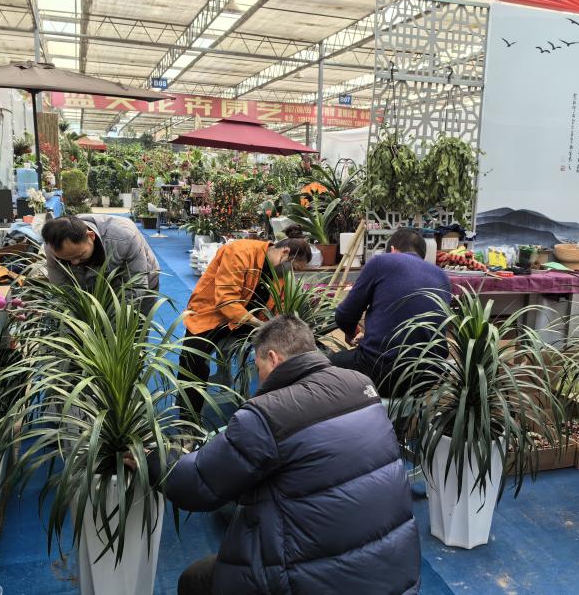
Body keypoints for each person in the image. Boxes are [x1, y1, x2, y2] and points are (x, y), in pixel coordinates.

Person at [162, 315, 421, 595]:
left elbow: (196, 485)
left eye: (258, 367)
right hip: (399, 577)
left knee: (195, 580)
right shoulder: (362, 385)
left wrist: (159, 458)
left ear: (273, 359)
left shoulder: (267, 413)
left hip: (309, 583)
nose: (259, 378)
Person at [178, 228, 311, 417]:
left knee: (281, 352)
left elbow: (279, 306)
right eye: (295, 268)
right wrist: (261, 325)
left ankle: (275, 408)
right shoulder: (240, 252)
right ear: (285, 252)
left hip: (251, 321)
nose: (293, 273)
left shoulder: (281, 273)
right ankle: (188, 417)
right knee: (193, 357)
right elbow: (226, 301)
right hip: (212, 314)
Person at [329, 228, 452, 396]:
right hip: (427, 376)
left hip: (382, 371)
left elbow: (345, 315)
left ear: (393, 250)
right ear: (422, 256)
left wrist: (352, 332)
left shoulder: (381, 262)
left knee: (321, 368)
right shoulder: (441, 276)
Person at [42, 214, 159, 311]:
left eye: (79, 255)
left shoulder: (124, 238)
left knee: (134, 327)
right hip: (93, 288)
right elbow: (62, 290)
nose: (75, 262)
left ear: (91, 236)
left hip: (141, 282)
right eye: (66, 259)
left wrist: (112, 326)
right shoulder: (53, 248)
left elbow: (135, 288)